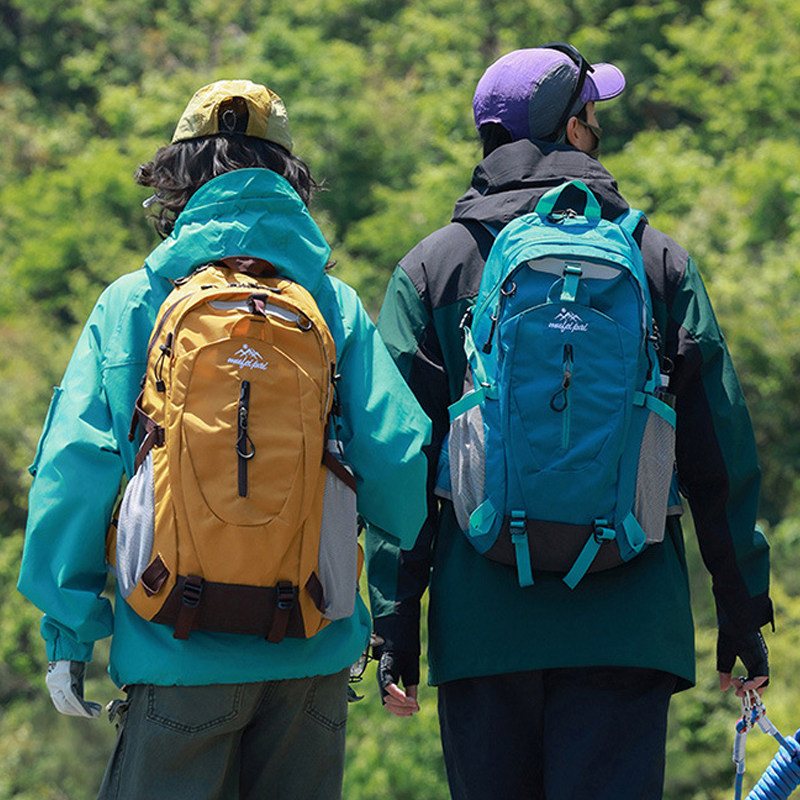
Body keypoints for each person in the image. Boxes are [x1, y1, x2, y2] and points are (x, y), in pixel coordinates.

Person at [365, 45, 772, 800]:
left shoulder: (435, 267)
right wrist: (742, 609)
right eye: (593, 110)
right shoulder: (657, 261)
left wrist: (396, 625)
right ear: (573, 127)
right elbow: (720, 445)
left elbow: (400, 463)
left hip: (483, 625)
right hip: (628, 623)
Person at [17, 79, 430, 800]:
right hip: (309, 648)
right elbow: (398, 463)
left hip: (171, 644)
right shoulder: (333, 307)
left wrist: (70, 632)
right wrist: (385, 596)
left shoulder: (137, 302)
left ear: (174, 178)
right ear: (290, 178)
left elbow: (74, 469)